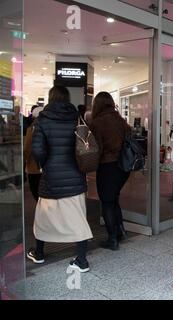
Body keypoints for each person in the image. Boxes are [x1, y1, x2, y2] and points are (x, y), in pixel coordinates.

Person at [27, 86, 93, 272]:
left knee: (43, 216)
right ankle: (81, 260)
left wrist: (45, 163)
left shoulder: (43, 120)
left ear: (50, 98)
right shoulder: (76, 117)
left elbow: (38, 150)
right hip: (75, 176)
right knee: (77, 218)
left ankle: (39, 253)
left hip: (51, 177)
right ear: (67, 98)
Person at [90, 92, 131, 251]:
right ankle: (120, 231)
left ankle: (112, 238)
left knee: (107, 202)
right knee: (113, 199)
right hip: (122, 167)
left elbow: (97, 149)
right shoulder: (120, 120)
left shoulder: (97, 123)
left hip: (107, 166)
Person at [24, 106, 44, 202]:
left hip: (34, 167)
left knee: (36, 192)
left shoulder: (31, 129)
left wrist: (24, 161)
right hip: (47, 167)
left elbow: (27, 148)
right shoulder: (48, 127)